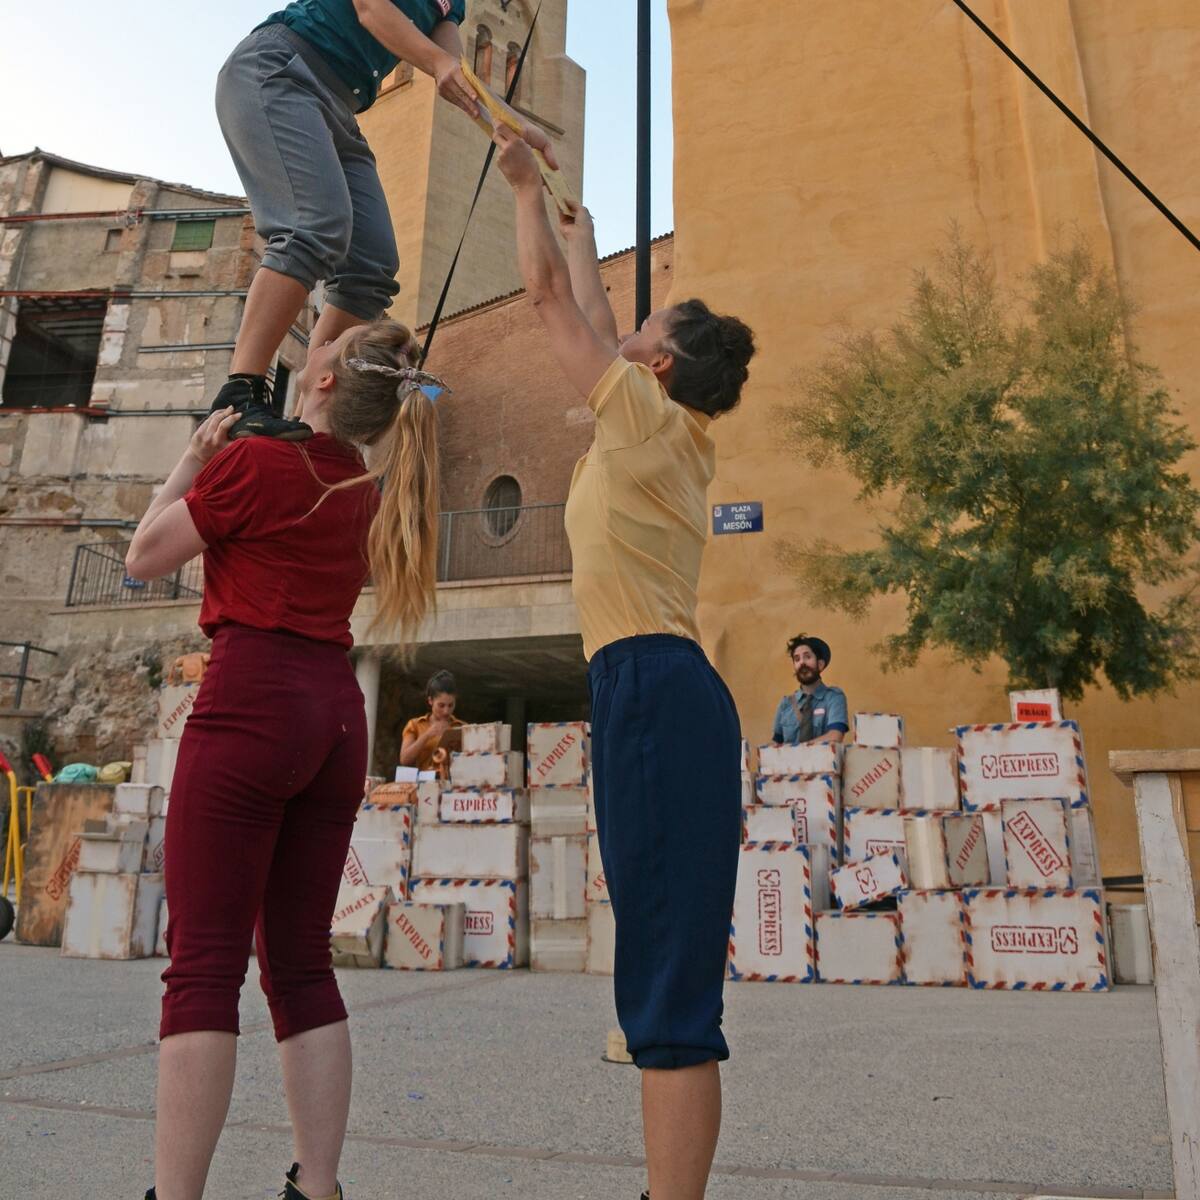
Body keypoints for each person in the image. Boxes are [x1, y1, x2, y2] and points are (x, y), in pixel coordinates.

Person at [491, 127, 756, 1200]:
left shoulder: (643, 423)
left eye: (651, 324)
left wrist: (522, 192)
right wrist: (582, 224)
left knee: (667, 988)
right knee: (668, 969)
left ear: (659, 365)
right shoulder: (661, 429)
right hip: (656, 686)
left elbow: (553, 308)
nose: (632, 328)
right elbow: (597, 318)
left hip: (650, 684)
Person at [124, 318, 441, 1200]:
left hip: (252, 699)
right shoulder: (366, 490)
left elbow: (143, 557)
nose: (315, 346)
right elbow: (339, 352)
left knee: (203, 965)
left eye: (326, 347)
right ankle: (319, 1186)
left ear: (328, 382)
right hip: (335, 714)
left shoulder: (256, 465)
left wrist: (192, 460)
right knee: (301, 962)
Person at [210, 0, 557, 440]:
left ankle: (309, 417)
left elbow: (457, 71)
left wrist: (516, 124)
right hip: (284, 68)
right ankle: (240, 392)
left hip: (340, 107)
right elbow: (372, 10)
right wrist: (438, 63)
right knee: (313, 227)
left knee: (371, 267)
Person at [771, 634, 848, 746]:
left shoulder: (834, 697)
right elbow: (776, 744)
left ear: (820, 664)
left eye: (807, 657)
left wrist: (799, 750)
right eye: (797, 659)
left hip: (822, 758)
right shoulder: (786, 704)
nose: (802, 662)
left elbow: (835, 736)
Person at [399, 669, 465, 778]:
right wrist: (427, 735)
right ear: (430, 701)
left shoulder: (463, 727)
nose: (446, 711)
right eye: (441, 705)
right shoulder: (415, 725)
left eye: (451, 705)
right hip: (424, 783)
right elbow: (405, 760)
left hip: (454, 784)